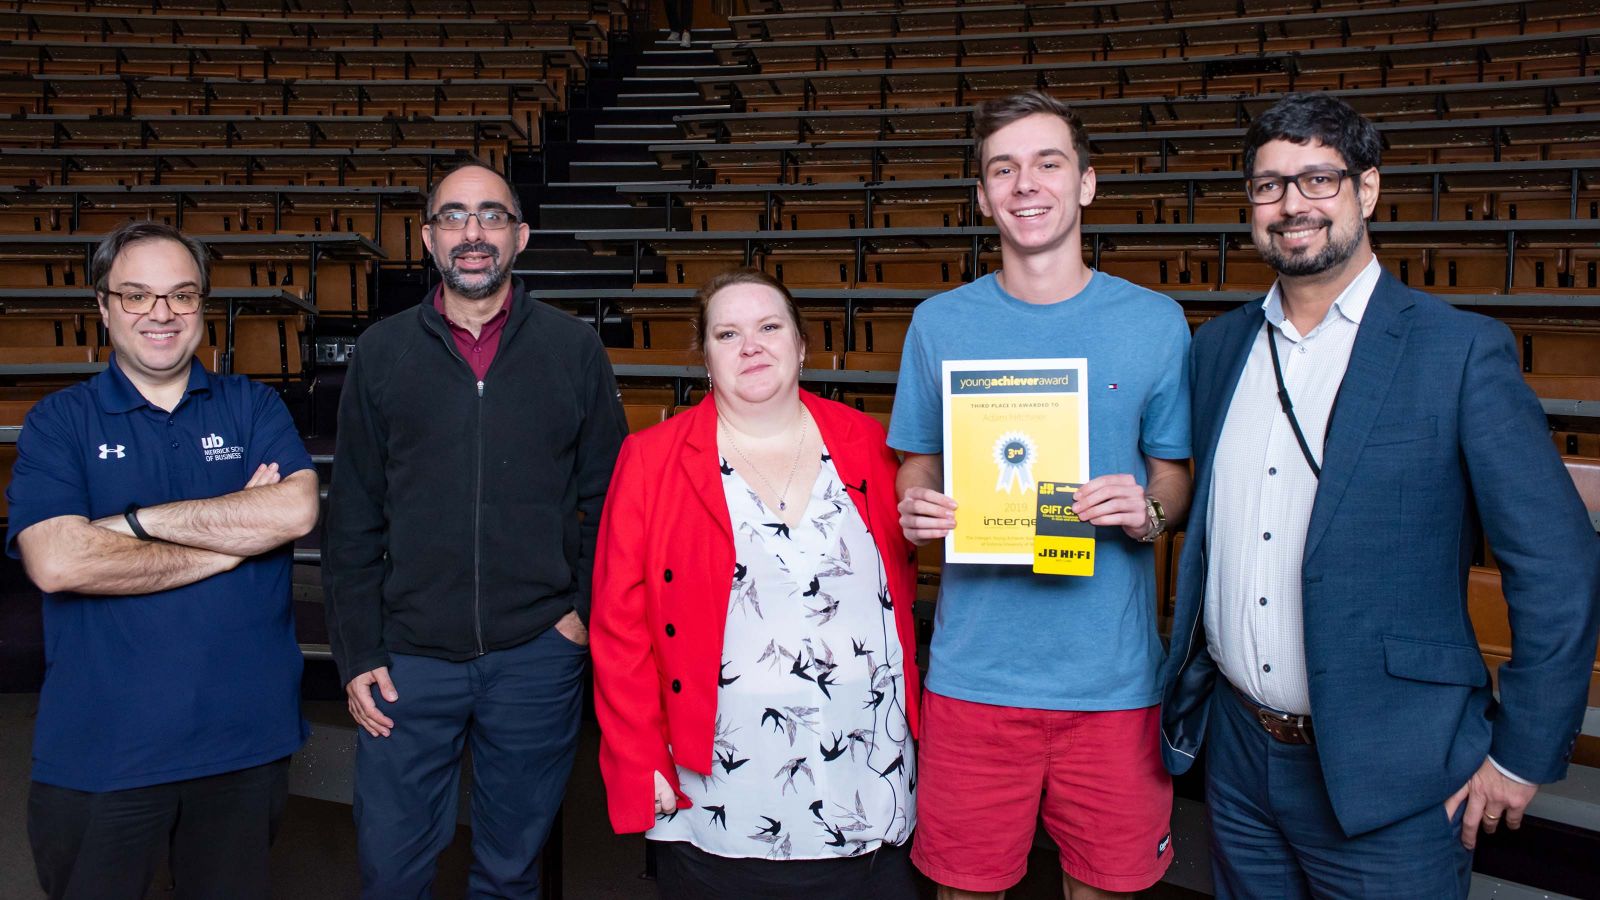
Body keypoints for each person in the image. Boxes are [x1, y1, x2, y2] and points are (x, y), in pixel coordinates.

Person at [1158, 92, 1600, 899]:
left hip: (1396, 773)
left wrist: (1523, 754)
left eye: (1318, 179)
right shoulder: (1218, 348)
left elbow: (1558, 563)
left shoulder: (1458, 351)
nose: (1292, 205)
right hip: (1241, 761)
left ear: (1367, 190)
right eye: (1268, 185)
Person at [890, 91, 1193, 899]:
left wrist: (1149, 509)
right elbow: (917, 462)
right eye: (1004, 169)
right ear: (985, 196)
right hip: (974, 681)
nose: (1027, 184)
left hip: (1113, 682)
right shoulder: (939, 323)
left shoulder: (1156, 322)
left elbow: (1174, 475)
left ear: (1086, 184)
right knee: (965, 890)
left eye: (1047, 163)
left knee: (1110, 888)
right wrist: (915, 501)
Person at [323, 160, 627, 898]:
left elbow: (612, 499)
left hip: (536, 657)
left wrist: (579, 620)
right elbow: (355, 513)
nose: (473, 232)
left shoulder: (572, 348)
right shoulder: (383, 353)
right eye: (454, 216)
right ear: (428, 238)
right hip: (408, 663)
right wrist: (359, 649)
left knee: (510, 872)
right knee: (391, 873)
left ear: (518, 236)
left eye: (491, 215)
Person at [6, 220, 320, 900]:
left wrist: (132, 526)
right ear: (103, 305)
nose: (161, 313)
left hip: (243, 743)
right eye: (137, 295)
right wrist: (231, 545)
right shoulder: (59, 421)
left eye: (181, 295)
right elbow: (59, 561)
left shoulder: (253, 404)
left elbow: (293, 513)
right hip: (103, 748)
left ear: (202, 305)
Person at [590, 268, 922, 900]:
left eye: (770, 327)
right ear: (705, 357)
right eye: (727, 333)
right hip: (718, 795)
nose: (751, 346)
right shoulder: (652, 458)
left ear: (800, 346)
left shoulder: (869, 443)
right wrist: (638, 760)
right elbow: (617, 626)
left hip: (867, 775)